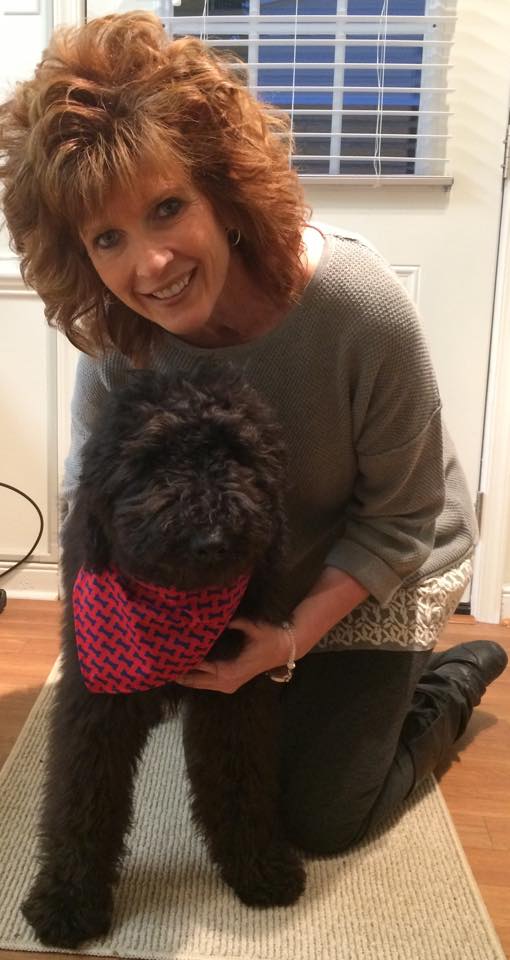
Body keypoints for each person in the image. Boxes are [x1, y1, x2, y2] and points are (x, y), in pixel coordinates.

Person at [0, 11, 506, 855]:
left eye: (167, 208)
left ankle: (447, 678)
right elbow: (90, 498)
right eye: (107, 238)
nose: (149, 265)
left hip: (382, 558)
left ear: (222, 191)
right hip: (234, 571)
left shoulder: (359, 308)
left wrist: (290, 639)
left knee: (316, 820)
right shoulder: (122, 344)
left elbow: (402, 518)